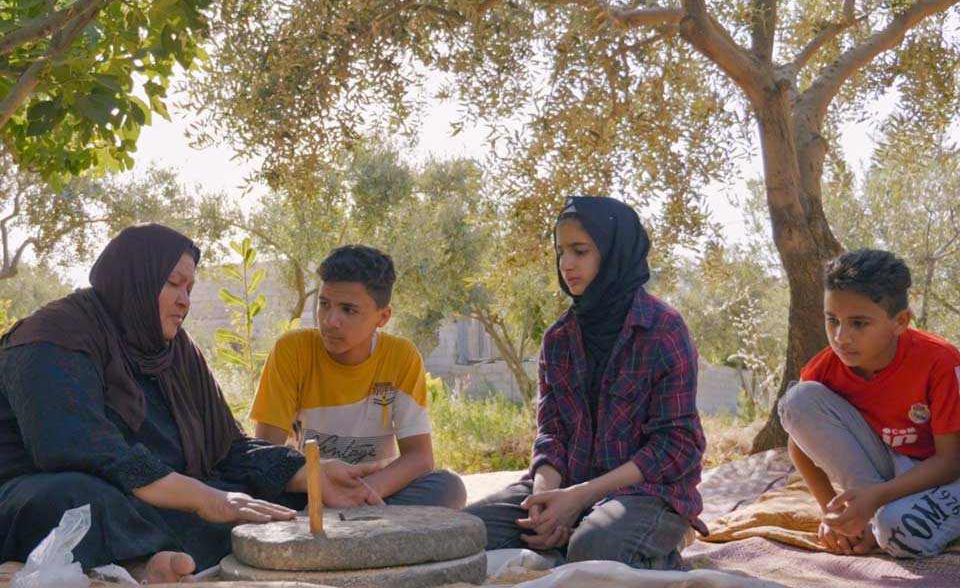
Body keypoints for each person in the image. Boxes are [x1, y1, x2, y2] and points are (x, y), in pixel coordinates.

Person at [0, 224, 379, 584]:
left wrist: (309, 473)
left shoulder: (174, 348)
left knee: (256, 494)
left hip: (160, 492)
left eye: (190, 287)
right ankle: (139, 564)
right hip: (54, 488)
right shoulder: (52, 335)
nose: (185, 300)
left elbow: (227, 448)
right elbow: (78, 449)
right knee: (72, 499)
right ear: (136, 279)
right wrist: (204, 499)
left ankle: (158, 554)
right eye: (173, 284)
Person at [464, 196, 706, 569]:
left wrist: (578, 499)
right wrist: (545, 500)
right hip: (568, 486)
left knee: (594, 549)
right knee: (463, 532)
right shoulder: (559, 337)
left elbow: (675, 445)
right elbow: (552, 432)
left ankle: (656, 549)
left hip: (646, 493)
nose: (567, 264)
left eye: (580, 250)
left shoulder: (662, 329)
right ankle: (569, 538)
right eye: (561, 251)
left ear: (613, 253)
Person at [250, 244, 465, 509]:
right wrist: (320, 487)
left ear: (382, 317)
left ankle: (351, 530)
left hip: (374, 493)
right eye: (324, 304)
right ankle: (367, 535)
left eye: (348, 310)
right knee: (251, 493)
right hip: (307, 494)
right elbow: (266, 454)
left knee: (448, 486)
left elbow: (419, 457)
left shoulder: (401, 357)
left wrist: (363, 493)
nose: (330, 321)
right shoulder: (291, 350)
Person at [779, 249, 960, 557]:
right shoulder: (823, 369)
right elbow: (799, 441)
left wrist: (877, 497)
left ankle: (879, 518)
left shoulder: (940, 362)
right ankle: (863, 519)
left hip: (945, 472)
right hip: (888, 468)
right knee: (797, 400)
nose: (840, 337)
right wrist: (832, 513)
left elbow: (950, 461)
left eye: (858, 323)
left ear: (900, 321)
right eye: (832, 320)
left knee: (902, 534)